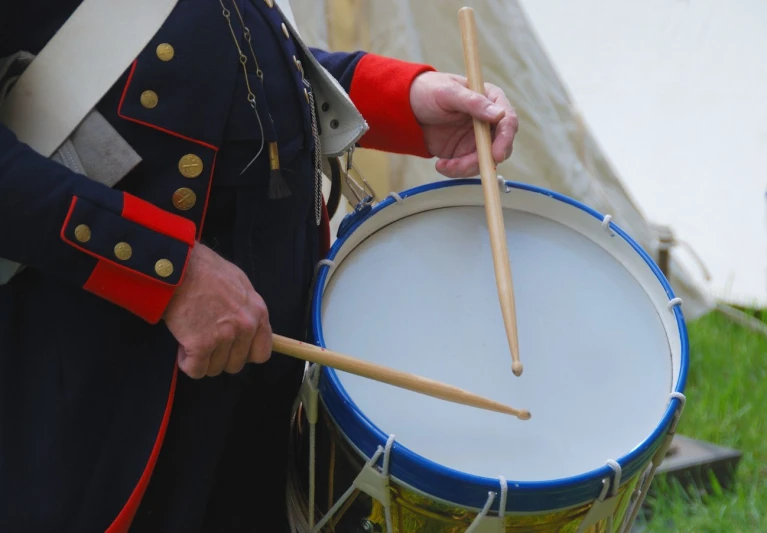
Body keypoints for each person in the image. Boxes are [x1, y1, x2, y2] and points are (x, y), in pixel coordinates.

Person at [0, 1, 518, 532]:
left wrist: (406, 102)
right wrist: (169, 271)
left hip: (259, 396)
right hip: (102, 396)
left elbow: (236, 63)